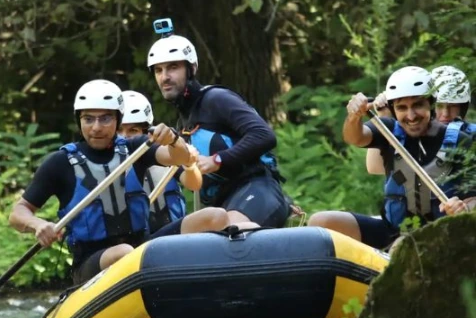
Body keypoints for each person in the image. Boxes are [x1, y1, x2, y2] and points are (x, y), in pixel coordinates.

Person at [9, 79, 198, 285]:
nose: (96, 128)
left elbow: (179, 157)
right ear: (79, 121)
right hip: (91, 263)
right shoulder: (60, 163)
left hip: (142, 247)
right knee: (124, 252)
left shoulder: (135, 149)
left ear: (118, 120)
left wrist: (173, 139)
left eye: (106, 119)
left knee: (212, 216)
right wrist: (38, 224)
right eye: (88, 119)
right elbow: (18, 213)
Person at [308, 66, 476, 250]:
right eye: (402, 108)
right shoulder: (387, 129)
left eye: (418, 105)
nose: (411, 116)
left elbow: (472, 197)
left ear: (431, 104)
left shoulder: (461, 142)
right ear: (394, 110)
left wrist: (464, 208)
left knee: (402, 246)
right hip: (392, 228)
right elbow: (354, 137)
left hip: (436, 234)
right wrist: (354, 116)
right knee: (321, 221)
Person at [146, 31, 290, 228]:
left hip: (256, 188)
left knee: (230, 235)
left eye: (173, 67)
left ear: (191, 69)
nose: (165, 77)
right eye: (158, 70)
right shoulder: (183, 122)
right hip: (222, 202)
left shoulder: (217, 99)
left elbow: (264, 135)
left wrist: (217, 160)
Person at [119, 89, 233, 237]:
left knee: (216, 215)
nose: (125, 137)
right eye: (119, 130)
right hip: (136, 245)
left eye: (133, 130)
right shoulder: (111, 163)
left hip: (172, 237)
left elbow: (194, 184)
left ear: (147, 131)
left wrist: (190, 164)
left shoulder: (165, 155)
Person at [366, 65, 475, 176]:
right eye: (439, 106)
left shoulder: (471, 136)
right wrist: (384, 117)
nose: (445, 114)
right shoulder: (411, 139)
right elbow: (375, 167)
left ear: (463, 107)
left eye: (453, 106)